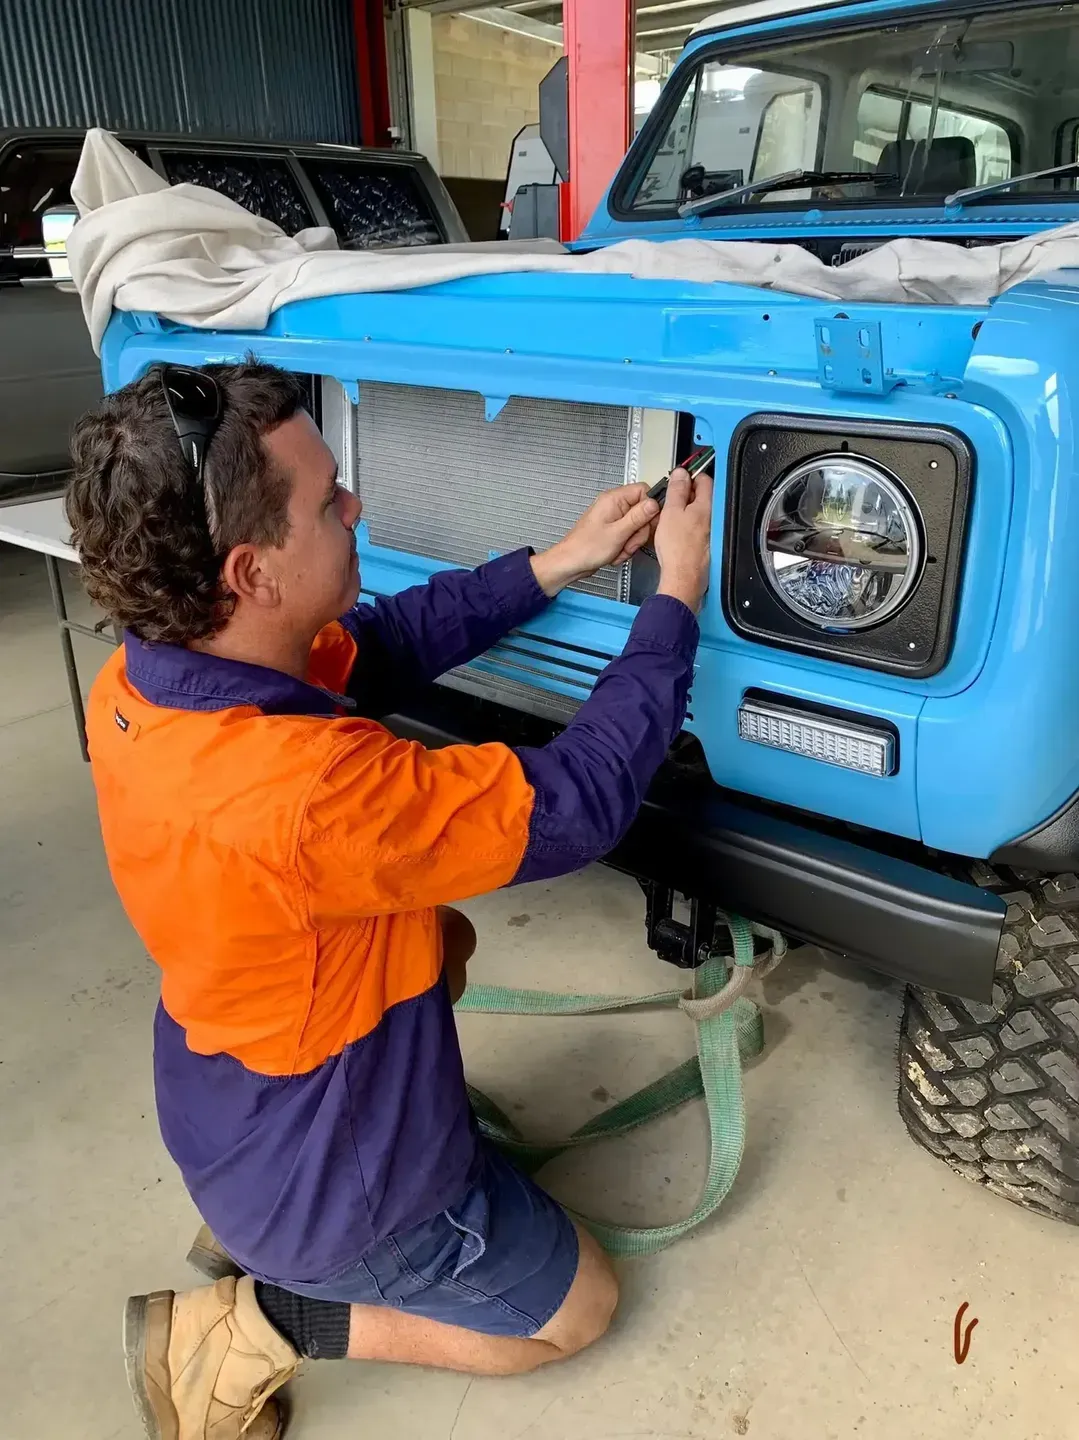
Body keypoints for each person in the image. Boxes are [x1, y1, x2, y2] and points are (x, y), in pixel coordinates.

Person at [65, 361, 712, 1440]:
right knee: (574, 1310)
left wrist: (560, 560)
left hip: (224, 1102)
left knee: (431, 943)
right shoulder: (303, 792)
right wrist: (676, 598)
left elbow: (383, 646)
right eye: (328, 503)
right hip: (339, 1181)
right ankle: (258, 1326)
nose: (355, 504)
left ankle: (259, 1240)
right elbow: (577, 804)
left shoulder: (147, 679)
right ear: (252, 572)